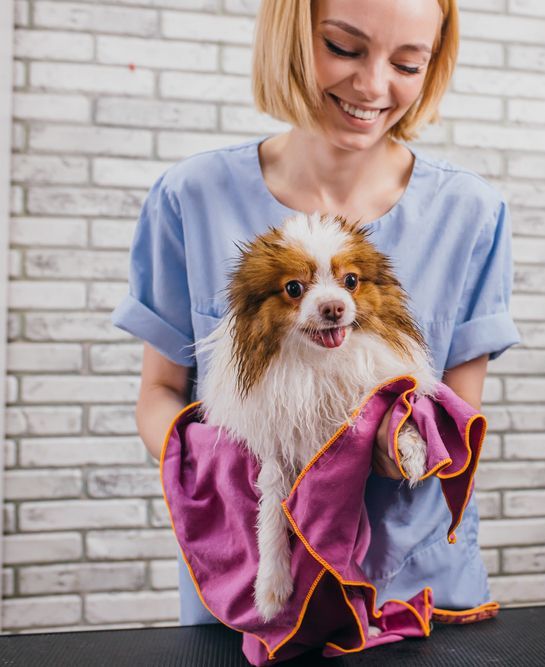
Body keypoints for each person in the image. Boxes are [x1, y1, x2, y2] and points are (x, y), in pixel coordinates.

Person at [111, 0, 519, 625]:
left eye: (408, 63)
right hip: (251, 583)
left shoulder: (472, 212)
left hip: (414, 590)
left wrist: (402, 447)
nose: (373, 86)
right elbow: (158, 394)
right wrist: (230, 463)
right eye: (345, 48)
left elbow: (461, 416)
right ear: (290, 36)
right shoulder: (190, 197)